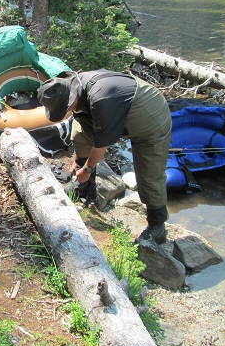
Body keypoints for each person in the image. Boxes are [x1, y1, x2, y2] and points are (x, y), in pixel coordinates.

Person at [37, 69, 172, 244]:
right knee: (79, 135)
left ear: (71, 96)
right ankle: (83, 189)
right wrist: (79, 163)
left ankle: (157, 226)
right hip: (117, 109)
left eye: (66, 107)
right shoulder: (76, 91)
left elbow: (101, 144)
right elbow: (87, 133)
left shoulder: (101, 99)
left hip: (149, 116)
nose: (67, 111)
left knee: (149, 174)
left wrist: (87, 168)